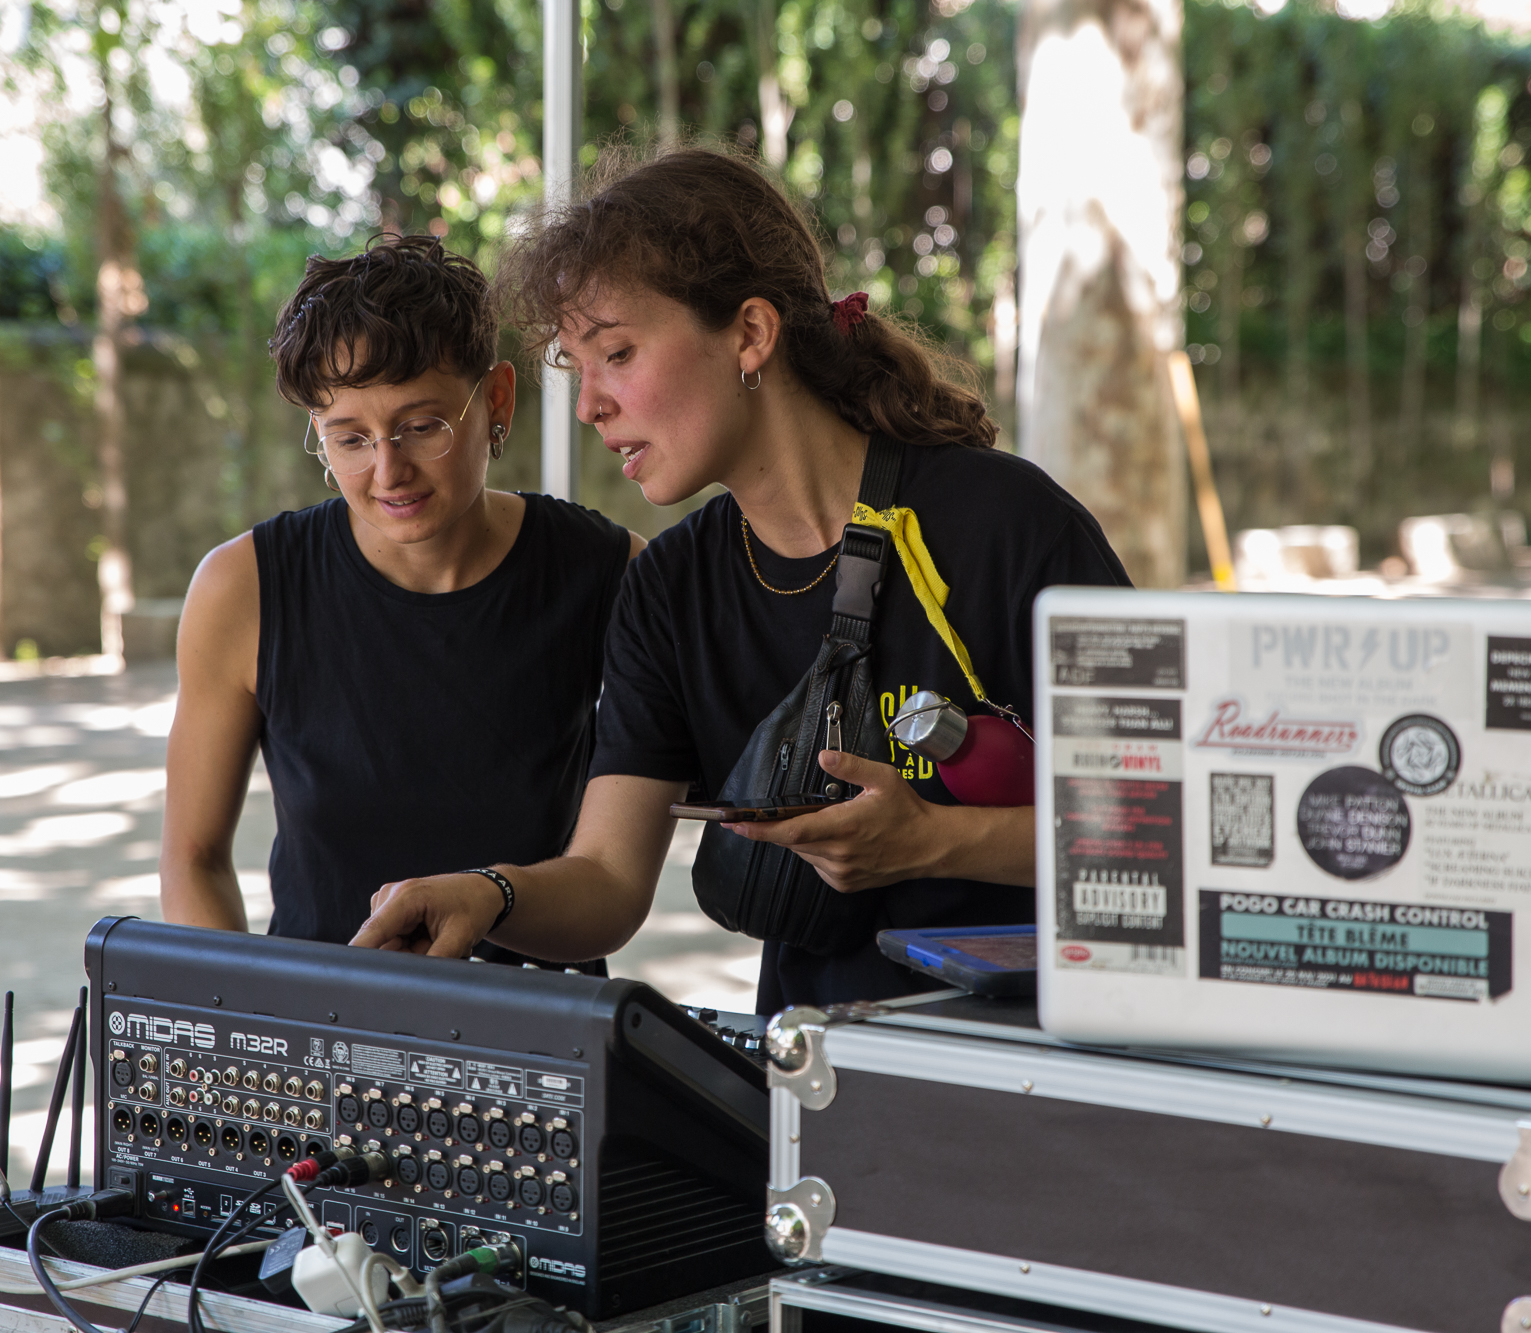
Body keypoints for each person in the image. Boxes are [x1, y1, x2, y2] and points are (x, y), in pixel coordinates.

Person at [350, 149, 1130, 1010]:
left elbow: (1158, 831)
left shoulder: (1010, 526)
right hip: (811, 1068)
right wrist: (489, 893)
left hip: (1044, 1054)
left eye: (617, 353)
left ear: (751, 334)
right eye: (578, 366)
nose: (589, 405)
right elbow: (607, 879)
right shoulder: (668, 589)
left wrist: (932, 840)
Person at [159, 234, 640, 962]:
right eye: (350, 439)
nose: (389, 471)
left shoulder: (605, 571)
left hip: (538, 1019)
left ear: (497, 399)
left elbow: (632, 855)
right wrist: (247, 1015)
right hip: (316, 1018)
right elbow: (193, 858)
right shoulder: (244, 588)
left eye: (421, 427)